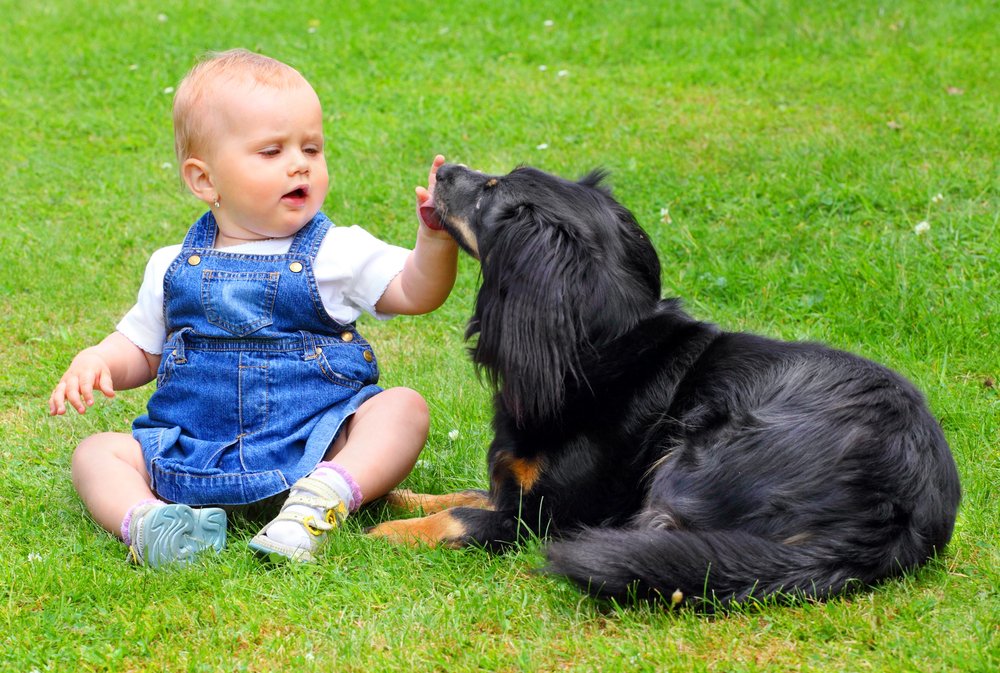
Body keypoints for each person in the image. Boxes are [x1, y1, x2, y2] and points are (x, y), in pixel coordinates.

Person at [48, 49, 457, 567]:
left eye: (311, 148)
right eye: (271, 151)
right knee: (96, 453)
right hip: (193, 451)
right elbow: (142, 350)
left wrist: (434, 239)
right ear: (204, 180)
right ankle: (154, 524)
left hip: (313, 446)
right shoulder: (170, 265)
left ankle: (320, 501)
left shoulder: (337, 252)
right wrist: (99, 359)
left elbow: (416, 292)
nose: (299, 163)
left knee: (401, 408)